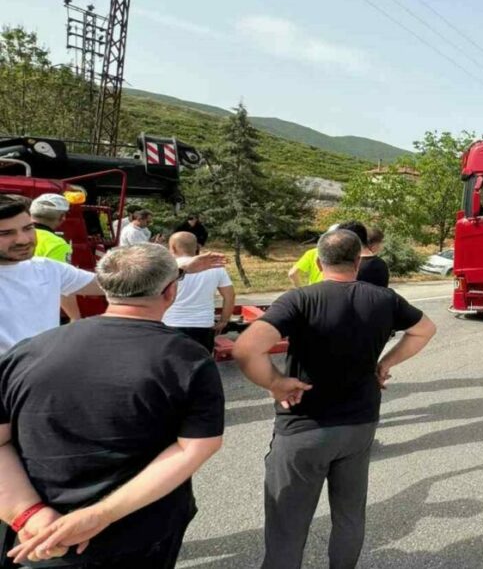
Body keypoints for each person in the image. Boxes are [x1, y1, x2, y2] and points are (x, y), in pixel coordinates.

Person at [0, 243, 225, 567]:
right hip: (142, 530)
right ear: (170, 292)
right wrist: (100, 514)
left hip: (44, 537)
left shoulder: (27, 352)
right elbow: (196, 447)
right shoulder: (187, 358)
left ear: (105, 287)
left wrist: (29, 514)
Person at [232, 228, 437, 569]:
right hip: (359, 426)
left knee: (288, 525)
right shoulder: (385, 298)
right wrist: (385, 363)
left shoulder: (299, 299)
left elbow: (246, 348)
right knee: (349, 515)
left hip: (304, 427)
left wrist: (277, 382)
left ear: (318, 261)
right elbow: (425, 330)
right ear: (358, 261)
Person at [0, 194, 226, 355]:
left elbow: (116, 282)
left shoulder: (47, 268)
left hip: (34, 377)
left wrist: (181, 268)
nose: (23, 239)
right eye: (6, 233)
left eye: (28, 228)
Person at [163, 232, 234, 352]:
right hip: (203, 325)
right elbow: (229, 296)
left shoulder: (168, 268)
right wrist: (223, 320)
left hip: (171, 323)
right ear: (197, 247)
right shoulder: (215, 267)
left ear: (173, 248)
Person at [29, 194, 82, 322]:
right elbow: (62, 284)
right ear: (62, 217)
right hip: (35, 311)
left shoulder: (10, 236)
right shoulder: (56, 244)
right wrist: (75, 317)